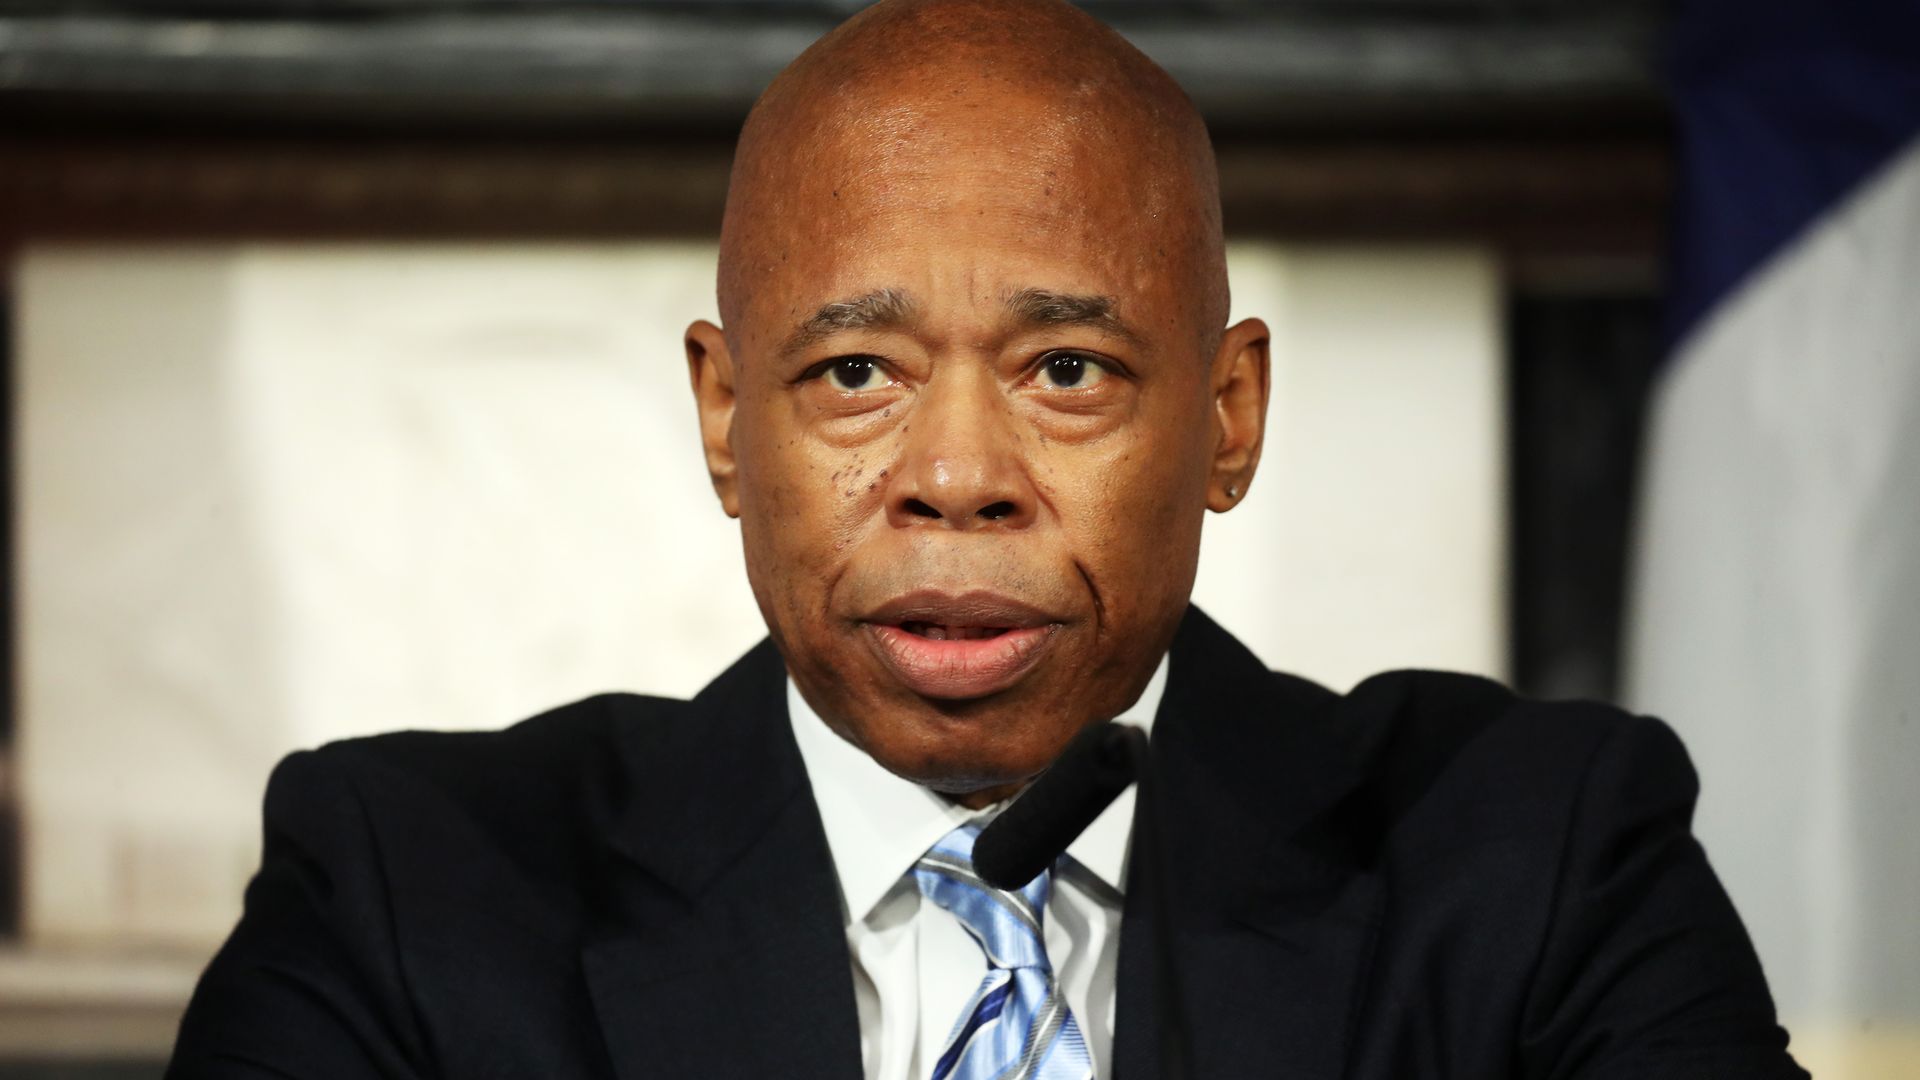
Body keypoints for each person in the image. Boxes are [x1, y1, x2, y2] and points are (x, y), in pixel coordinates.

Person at [167, 1, 1807, 1077]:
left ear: (1227, 417)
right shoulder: (405, 894)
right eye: (857, 374)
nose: (958, 476)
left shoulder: (1542, 865)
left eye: (1069, 371)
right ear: (730, 423)